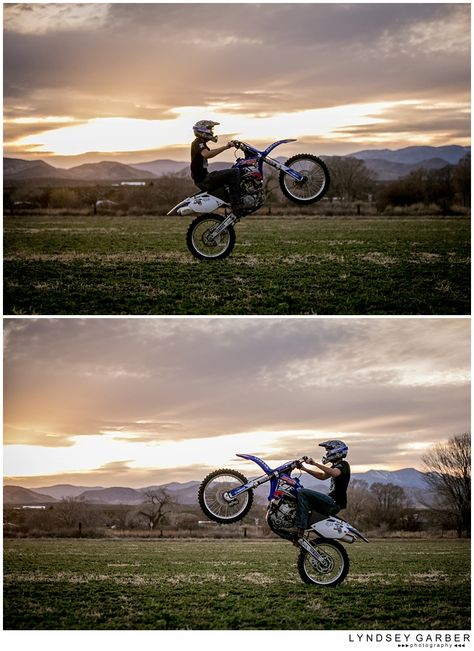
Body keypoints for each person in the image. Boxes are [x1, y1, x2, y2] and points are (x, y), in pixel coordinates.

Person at [286, 439, 350, 538]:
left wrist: (314, 463)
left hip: (334, 503)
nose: (327, 453)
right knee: (304, 498)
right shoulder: (335, 466)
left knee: (302, 492)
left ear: (337, 451)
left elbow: (334, 473)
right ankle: (298, 525)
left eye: (328, 450)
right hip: (332, 502)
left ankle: (300, 528)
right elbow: (322, 476)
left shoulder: (343, 465)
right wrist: (304, 469)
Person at [190, 120, 243, 215]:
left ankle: (228, 205)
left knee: (233, 171)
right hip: (204, 180)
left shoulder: (201, 143)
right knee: (234, 172)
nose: (211, 131)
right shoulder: (197, 143)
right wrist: (225, 147)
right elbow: (206, 154)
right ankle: (236, 205)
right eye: (210, 129)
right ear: (203, 131)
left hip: (203, 178)